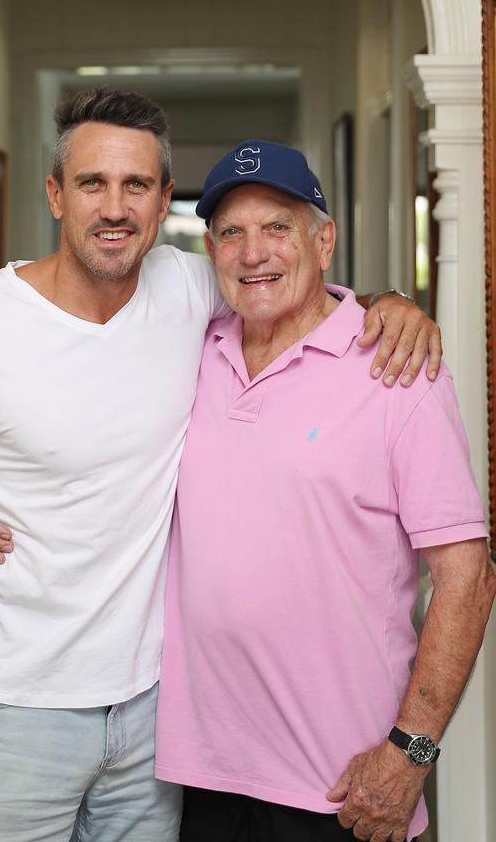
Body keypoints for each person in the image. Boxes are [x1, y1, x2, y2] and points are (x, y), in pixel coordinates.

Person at [0, 89, 440, 841]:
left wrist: (392, 302)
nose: (114, 207)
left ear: (162, 200)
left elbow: (290, 289)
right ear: (55, 194)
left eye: (137, 185)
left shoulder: (189, 290)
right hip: (14, 710)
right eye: (92, 183)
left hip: (156, 723)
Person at [150, 142, 496, 842]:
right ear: (209, 248)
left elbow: (468, 578)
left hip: (344, 788)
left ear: (324, 239)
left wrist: (412, 752)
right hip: (203, 779)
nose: (254, 254)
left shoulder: (402, 371)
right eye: (233, 233)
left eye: (278, 227)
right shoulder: (189, 350)